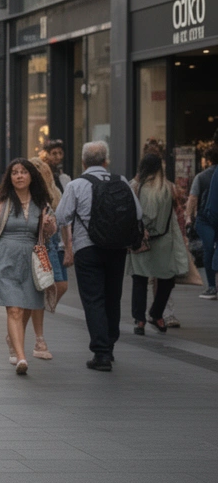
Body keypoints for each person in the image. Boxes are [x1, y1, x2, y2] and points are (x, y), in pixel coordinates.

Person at [56, 141, 143, 371]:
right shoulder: (122, 181)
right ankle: (110, 346)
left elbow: (61, 216)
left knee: (93, 299)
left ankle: (101, 353)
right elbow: (139, 212)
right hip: (117, 248)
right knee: (113, 297)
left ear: (83, 162)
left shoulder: (76, 185)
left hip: (88, 249)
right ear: (106, 161)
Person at [0, 159, 59, 375]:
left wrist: (49, 226)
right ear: (9, 177)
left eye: (23, 172)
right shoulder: (0, 201)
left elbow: (50, 232)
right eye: (14, 173)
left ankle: (14, 340)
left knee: (27, 306)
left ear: (31, 176)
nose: (19, 176)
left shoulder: (41, 202)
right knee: (14, 309)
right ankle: (21, 357)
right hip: (4, 258)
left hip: (31, 259)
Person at [126, 153, 188, 336]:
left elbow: (143, 214)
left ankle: (140, 320)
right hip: (164, 241)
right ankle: (157, 314)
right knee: (167, 279)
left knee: (139, 279)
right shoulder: (169, 187)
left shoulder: (136, 186)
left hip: (141, 241)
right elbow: (177, 214)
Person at [28, 157, 68, 360]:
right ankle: (39, 339)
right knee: (40, 292)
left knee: (60, 286)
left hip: (54, 245)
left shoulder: (54, 192)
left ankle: (25, 324)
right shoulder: (28, 195)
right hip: (38, 245)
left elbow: (64, 222)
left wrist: (69, 248)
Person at [187, 147, 218, 299]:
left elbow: (193, 198)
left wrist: (189, 217)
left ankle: (212, 286)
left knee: (208, 250)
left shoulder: (201, 177)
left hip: (206, 218)